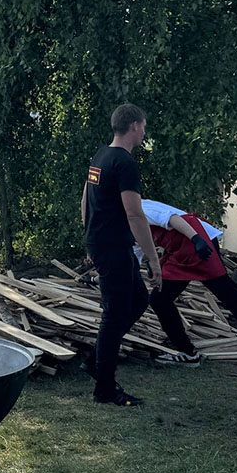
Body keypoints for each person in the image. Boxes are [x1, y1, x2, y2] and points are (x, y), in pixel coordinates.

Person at [142, 199, 237, 377]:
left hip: (197, 240)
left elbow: (173, 218)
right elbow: (138, 251)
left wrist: (197, 240)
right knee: (159, 300)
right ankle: (188, 353)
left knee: (229, 295)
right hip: (178, 251)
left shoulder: (137, 208)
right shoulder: (121, 226)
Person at [80, 104, 159, 407]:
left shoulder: (101, 156)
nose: (144, 132)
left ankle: (96, 361)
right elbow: (135, 214)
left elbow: (85, 199)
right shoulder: (124, 163)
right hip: (112, 247)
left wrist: (90, 236)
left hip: (106, 244)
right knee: (113, 315)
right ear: (134, 126)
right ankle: (104, 389)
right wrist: (153, 259)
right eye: (144, 126)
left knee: (138, 300)